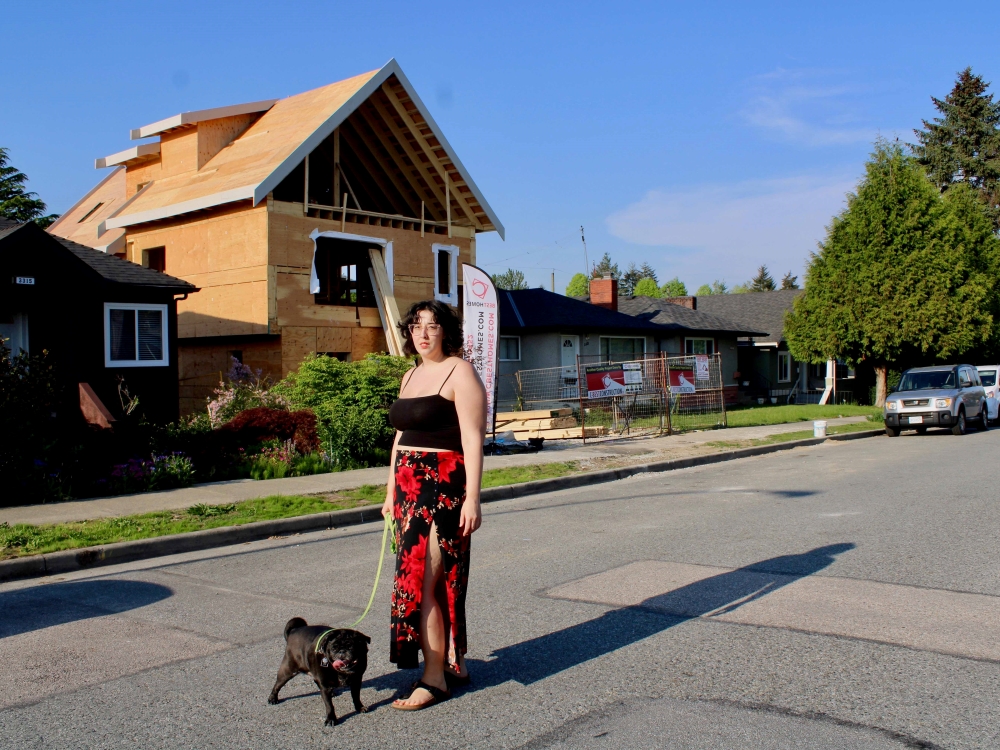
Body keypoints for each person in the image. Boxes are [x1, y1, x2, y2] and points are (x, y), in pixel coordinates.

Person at [383, 300, 486, 711]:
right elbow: (401, 436)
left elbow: (473, 438)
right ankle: (451, 662)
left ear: (446, 332)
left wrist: (474, 497)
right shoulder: (410, 375)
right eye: (416, 327)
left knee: (428, 581)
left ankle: (434, 677)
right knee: (422, 580)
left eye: (432, 326)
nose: (423, 334)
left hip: (443, 486)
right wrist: (390, 490)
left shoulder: (460, 371)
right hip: (409, 488)